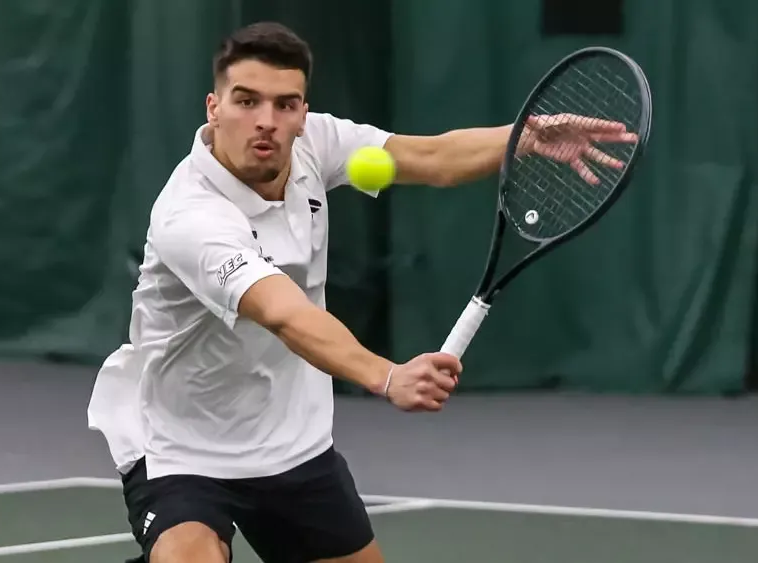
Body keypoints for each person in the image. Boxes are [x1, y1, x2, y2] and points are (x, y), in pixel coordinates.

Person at [87, 21, 636, 563]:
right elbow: (283, 313)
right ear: (214, 107)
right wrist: (387, 375)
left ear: (303, 113)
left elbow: (432, 158)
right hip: (181, 447)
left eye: (285, 105)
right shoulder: (191, 216)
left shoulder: (315, 143)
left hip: (290, 441)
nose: (266, 121)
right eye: (247, 101)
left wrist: (523, 139)